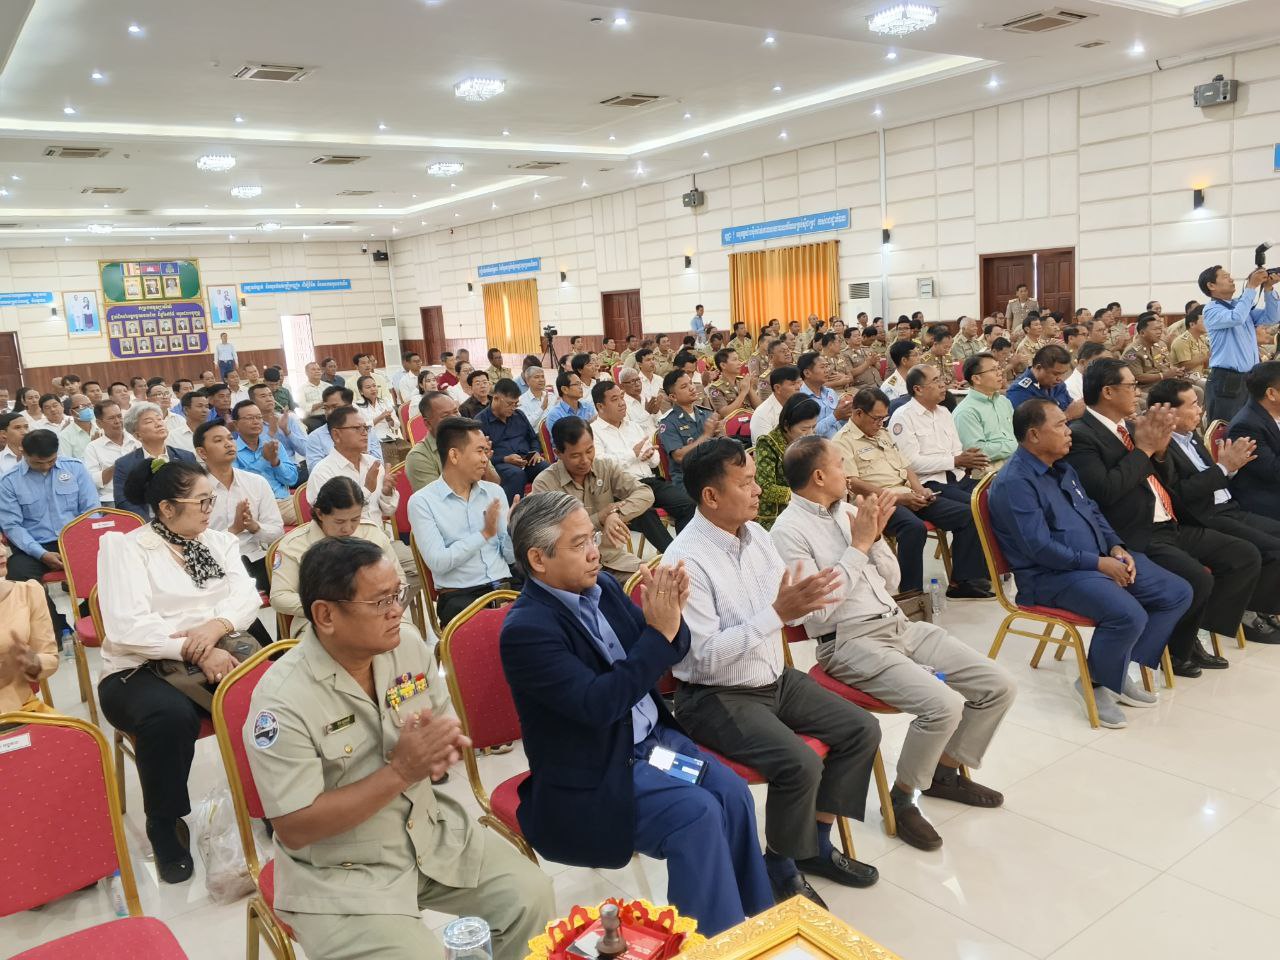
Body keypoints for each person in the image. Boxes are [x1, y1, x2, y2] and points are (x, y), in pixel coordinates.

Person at [247, 536, 553, 960]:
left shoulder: (406, 647)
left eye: (399, 595)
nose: (398, 610)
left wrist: (439, 751)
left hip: (429, 830)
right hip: (341, 870)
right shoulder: (281, 702)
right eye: (380, 602)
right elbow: (295, 827)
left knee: (530, 897)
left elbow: (440, 729)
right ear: (326, 615)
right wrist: (401, 772)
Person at [500, 493, 770, 935]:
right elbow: (600, 704)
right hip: (602, 768)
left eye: (593, 538)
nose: (595, 552)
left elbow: (669, 649)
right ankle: (708, 944)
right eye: (579, 544)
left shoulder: (603, 588)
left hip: (655, 749)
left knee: (732, 793)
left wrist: (672, 615)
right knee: (697, 814)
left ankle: (756, 925)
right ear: (538, 559)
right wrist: (659, 633)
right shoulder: (527, 630)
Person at [663, 438, 882, 905]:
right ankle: (780, 866)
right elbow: (698, 659)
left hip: (773, 679)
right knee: (799, 763)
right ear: (711, 496)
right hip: (714, 696)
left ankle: (814, 846)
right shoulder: (686, 561)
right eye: (746, 483)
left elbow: (794, 604)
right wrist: (777, 615)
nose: (759, 489)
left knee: (860, 729)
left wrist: (840, 567)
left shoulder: (758, 537)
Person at [772, 436, 1014, 849]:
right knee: (943, 705)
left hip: (897, 624)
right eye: (840, 464)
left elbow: (891, 582)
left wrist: (877, 539)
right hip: (846, 641)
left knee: (998, 685)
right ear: (819, 476)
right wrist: (859, 546)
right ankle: (903, 799)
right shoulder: (787, 532)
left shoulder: (851, 512)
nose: (848, 472)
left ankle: (944, 770)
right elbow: (817, 614)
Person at [98, 459, 264, 882]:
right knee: (169, 719)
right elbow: (128, 627)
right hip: (140, 667)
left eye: (212, 500)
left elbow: (246, 597)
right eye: (202, 502)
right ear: (167, 508)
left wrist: (216, 627)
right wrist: (196, 650)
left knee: (269, 694)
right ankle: (164, 821)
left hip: (219, 647)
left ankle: (269, 796)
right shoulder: (127, 549)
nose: (211, 509)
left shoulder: (218, 542)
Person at [990, 399, 1194, 727]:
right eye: (1060, 425)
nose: (1068, 430)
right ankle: (1096, 683)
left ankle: (1116, 670)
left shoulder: (1062, 467)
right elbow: (1039, 548)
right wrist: (1098, 564)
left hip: (1095, 559)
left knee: (1177, 592)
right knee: (1128, 614)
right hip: (1050, 576)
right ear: (1034, 435)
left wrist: (1115, 546)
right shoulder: (1015, 483)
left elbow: (1093, 511)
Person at [1065, 358, 1257, 677]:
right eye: (1131, 386)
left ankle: (1192, 631)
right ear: (1108, 392)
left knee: (1243, 554)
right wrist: (1144, 450)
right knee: (1198, 578)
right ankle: (1178, 649)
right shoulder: (1083, 435)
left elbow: (1163, 480)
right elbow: (1106, 491)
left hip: (1169, 521)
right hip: (1134, 533)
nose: (1138, 392)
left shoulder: (1130, 428)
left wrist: (1162, 451)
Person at [1147, 377, 1280, 640]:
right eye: (1193, 405)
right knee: (1270, 550)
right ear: (1169, 412)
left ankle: (1263, 606)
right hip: (1203, 516)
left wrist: (1229, 469)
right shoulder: (1161, 447)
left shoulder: (1191, 437)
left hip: (1226, 505)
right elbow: (1179, 494)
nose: (1200, 410)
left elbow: (1215, 474)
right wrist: (1223, 468)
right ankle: (1247, 614)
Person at [833, 389, 992, 598]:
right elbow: (853, 483)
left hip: (908, 494)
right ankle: (912, 594)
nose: (880, 423)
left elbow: (906, 466)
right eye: (876, 418)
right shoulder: (842, 441)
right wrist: (898, 498)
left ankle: (964, 582)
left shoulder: (883, 433)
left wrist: (920, 490)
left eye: (884, 418)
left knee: (968, 514)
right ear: (858, 413)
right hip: (877, 502)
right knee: (913, 527)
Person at [270, 478, 428, 654]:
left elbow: (399, 579)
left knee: (411, 643)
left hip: (379, 614)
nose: (348, 528)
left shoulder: (371, 534)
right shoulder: (295, 545)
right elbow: (279, 596)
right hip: (323, 622)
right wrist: (333, 608)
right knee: (332, 652)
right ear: (320, 513)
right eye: (339, 522)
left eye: (355, 519)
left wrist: (378, 605)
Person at [408, 417, 515, 628]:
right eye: (479, 451)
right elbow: (438, 562)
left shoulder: (494, 492)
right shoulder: (423, 502)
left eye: (486, 451)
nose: (485, 459)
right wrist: (484, 534)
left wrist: (514, 529)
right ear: (454, 455)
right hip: (462, 596)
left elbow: (510, 558)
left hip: (505, 586)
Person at [0, 429, 98, 643]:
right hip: (35, 547)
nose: (45, 467)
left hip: (77, 541)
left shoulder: (75, 468)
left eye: (51, 461)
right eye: (38, 463)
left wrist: (81, 545)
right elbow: (13, 526)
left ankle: (89, 617)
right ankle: (55, 629)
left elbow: (91, 511)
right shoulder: (9, 481)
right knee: (18, 574)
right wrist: (42, 554)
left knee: (111, 564)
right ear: (23, 452)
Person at [533, 416, 656, 581]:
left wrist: (615, 513)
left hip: (614, 560)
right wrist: (600, 518)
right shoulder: (545, 483)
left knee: (655, 580)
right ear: (558, 453)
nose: (585, 460)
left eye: (590, 450)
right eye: (575, 455)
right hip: (573, 570)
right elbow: (553, 534)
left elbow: (645, 493)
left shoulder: (604, 467)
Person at [591, 380, 695, 534]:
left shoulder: (634, 426)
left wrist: (650, 456)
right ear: (600, 406)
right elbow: (600, 464)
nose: (622, 403)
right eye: (615, 399)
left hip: (650, 481)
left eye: (622, 397)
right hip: (623, 489)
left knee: (688, 504)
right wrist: (632, 454)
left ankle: (682, 546)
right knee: (644, 512)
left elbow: (655, 462)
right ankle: (669, 549)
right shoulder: (593, 431)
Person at [196, 419, 283, 593]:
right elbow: (193, 543)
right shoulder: (194, 490)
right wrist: (234, 529)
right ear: (202, 452)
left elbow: (277, 532)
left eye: (230, 438)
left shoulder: (256, 482)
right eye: (218, 440)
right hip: (214, 563)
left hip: (254, 558)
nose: (228, 444)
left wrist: (254, 527)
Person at [888, 365, 991, 492]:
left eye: (941, 379)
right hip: (929, 483)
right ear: (918, 389)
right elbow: (910, 463)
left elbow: (956, 450)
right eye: (936, 380)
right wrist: (955, 461)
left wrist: (969, 458)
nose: (942, 385)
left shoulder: (944, 412)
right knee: (975, 504)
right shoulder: (903, 417)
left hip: (958, 476)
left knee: (998, 493)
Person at [1200, 263, 1280, 421]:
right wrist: (1251, 286)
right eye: (1225, 277)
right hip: (1227, 379)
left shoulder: (1239, 306)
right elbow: (1236, 317)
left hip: (1249, 377)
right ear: (1211, 285)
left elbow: (1272, 317)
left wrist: (1268, 289)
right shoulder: (1211, 310)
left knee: (1247, 425)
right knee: (1226, 426)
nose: (1231, 279)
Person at [306, 406, 398, 528]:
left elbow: (389, 511)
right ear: (336, 435)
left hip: (379, 535)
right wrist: (367, 489)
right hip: (346, 539)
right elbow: (334, 519)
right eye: (356, 428)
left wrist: (387, 493)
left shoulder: (373, 464)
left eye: (365, 427)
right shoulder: (322, 473)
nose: (364, 433)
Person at [0, 540, 58, 713]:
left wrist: (34, 663)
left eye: (0, 542)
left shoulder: (28, 592)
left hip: (21, 708)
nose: (2, 552)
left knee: (79, 730)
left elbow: (50, 658)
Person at [113, 402, 198, 518]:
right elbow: (124, 502)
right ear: (137, 435)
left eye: (159, 419)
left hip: (184, 518)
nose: (158, 424)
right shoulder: (125, 464)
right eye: (149, 422)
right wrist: (152, 524)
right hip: (147, 523)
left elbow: (197, 491)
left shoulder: (186, 457)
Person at [753, 394, 819, 530]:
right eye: (804, 429)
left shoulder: (808, 443)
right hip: (776, 516)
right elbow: (765, 488)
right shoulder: (768, 443)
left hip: (805, 509)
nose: (810, 433)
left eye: (813, 427)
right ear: (787, 426)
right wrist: (803, 495)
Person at [1226, 360, 1280, 521]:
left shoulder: (1272, 411)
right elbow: (1274, 472)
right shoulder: (1246, 426)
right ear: (1271, 394)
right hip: (1265, 496)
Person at [479, 378, 547, 504]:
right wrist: (504, 459)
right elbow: (480, 455)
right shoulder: (481, 422)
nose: (513, 408)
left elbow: (533, 438)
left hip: (526, 460)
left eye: (516, 404)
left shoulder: (518, 415)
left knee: (545, 468)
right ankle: (511, 511)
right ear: (496, 398)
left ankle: (548, 508)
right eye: (510, 404)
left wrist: (536, 452)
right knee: (516, 474)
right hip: (500, 464)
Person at [659, 370, 723, 488]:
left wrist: (719, 434)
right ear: (673, 397)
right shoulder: (668, 422)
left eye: (691, 383)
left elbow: (723, 445)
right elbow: (679, 456)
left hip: (713, 473)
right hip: (689, 480)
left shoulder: (706, 413)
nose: (692, 388)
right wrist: (706, 436)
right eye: (684, 386)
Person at [952, 353, 1015, 473]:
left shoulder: (1003, 401)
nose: (999, 373)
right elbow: (977, 452)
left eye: (999, 368)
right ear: (976, 379)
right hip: (988, 470)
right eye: (993, 370)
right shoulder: (966, 412)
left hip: (1014, 462)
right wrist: (1015, 446)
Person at [304, 385, 383, 470]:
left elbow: (379, 464)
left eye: (335, 407)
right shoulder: (315, 437)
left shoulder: (366, 430)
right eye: (326, 408)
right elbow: (316, 471)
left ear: (350, 407)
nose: (329, 412)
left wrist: (362, 457)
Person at [1006, 344, 1085, 419]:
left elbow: (1072, 408)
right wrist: (1067, 415)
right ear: (1039, 368)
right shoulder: (1019, 391)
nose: (1060, 378)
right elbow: (1028, 426)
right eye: (1056, 374)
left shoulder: (1058, 385)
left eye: (1063, 373)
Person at [248, 382, 309, 466]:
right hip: (265, 468)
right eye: (263, 396)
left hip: (291, 466)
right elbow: (255, 454)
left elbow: (305, 450)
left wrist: (286, 431)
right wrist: (271, 433)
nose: (269, 399)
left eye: (270, 395)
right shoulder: (251, 425)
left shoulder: (288, 419)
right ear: (253, 402)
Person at [1121, 313, 1176, 394]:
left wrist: (1175, 372)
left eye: (1160, 329)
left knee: (1191, 388)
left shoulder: (1160, 344)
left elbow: (1167, 364)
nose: (1159, 332)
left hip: (1163, 382)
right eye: (1155, 329)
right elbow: (1139, 377)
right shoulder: (1132, 352)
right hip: (1144, 387)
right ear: (1142, 333)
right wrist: (1163, 375)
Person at [355, 374, 404, 460]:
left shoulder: (385, 401)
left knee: (407, 449)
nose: (373, 389)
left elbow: (397, 425)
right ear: (361, 391)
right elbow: (361, 427)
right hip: (371, 440)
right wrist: (380, 417)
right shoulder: (356, 406)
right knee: (389, 453)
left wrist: (390, 421)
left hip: (389, 437)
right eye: (368, 387)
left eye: (374, 386)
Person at [750, 365, 803, 440]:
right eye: (793, 384)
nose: (798, 387)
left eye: (799, 383)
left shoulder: (800, 404)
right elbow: (764, 444)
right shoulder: (763, 414)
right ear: (777, 388)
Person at [705, 348, 759, 415]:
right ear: (723, 365)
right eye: (734, 360)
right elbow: (724, 413)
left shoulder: (742, 381)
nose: (739, 363)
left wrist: (750, 388)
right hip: (734, 421)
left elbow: (759, 408)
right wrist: (743, 392)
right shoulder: (715, 388)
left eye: (738, 359)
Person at [1170, 305, 1210, 382]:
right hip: (1185, 378)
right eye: (1204, 322)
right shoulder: (1182, 341)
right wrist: (1207, 356)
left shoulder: (1202, 338)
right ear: (1192, 325)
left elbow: (1206, 363)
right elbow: (1185, 366)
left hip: (1200, 375)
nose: (1207, 324)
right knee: (1210, 385)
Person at [166, 389, 211, 454]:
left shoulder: (216, 432)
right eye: (200, 406)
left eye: (207, 406)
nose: (205, 410)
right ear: (186, 410)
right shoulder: (173, 437)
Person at [58, 393, 97, 460]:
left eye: (89, 405)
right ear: (72, 412)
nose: (88, 409)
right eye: (82, 406)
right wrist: (92, 447)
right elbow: (68, 463)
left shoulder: (100, 427)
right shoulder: (64, 436)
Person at [0, 410, 29, 476]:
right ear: (4, 434)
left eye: (26, 427)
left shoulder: (40, 456)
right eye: (17, 427)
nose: (25, 432)